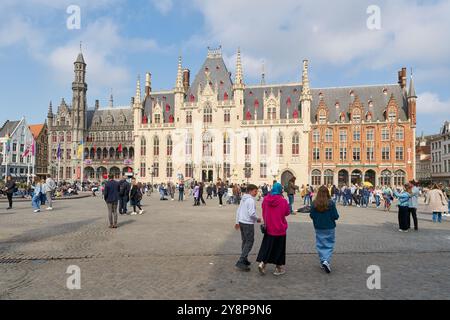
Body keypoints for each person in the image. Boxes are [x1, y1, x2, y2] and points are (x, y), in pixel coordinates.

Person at [256, 182, 290, 276]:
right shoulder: (283, 201)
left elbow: (263, 210)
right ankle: (278, 268)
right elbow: (287, 213)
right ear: (280, 190)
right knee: (279, 248)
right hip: (280, 228)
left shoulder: (266, 199)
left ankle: (262, 263)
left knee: (268, 247)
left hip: (269, 227)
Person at [310, 186, 340, 273]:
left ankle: (323, 261)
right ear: (327, 193)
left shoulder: (314, 203)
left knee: (320, 244)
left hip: (318, 226)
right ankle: (326, 260)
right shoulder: (331, 203)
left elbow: (311, 215)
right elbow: (335, 216)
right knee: (329, 244)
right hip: (330, 226)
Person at [234, 184, 261, 271]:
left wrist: (237, 221)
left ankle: (244, 259)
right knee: (249, 242)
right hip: (248, 223)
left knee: (245, 241)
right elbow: (251, 213)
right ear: (250, 191)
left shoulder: (243, 198)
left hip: (242, 221)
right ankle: (241, 260)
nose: (256, 193)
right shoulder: (250, 200)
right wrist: (257, 219)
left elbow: (238, 210)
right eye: (255, 191)